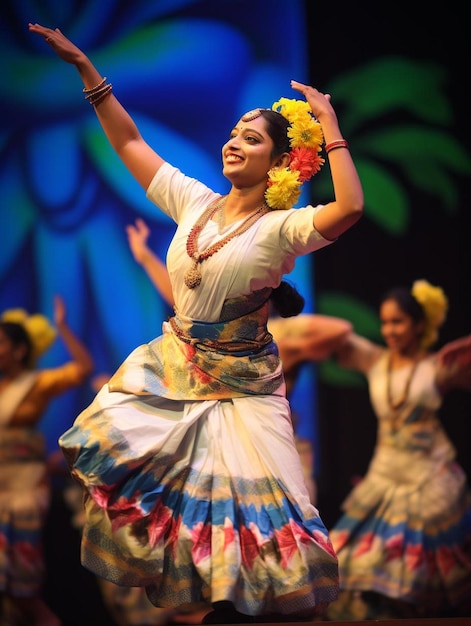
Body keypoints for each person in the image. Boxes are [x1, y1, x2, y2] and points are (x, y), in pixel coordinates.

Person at [29, 21, 363, 624]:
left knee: (271, 529)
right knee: (185, 521)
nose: (234, 142)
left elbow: (350, 209)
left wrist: (330, 128)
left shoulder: (282, 229)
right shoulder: (193, 201)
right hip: (180, 378)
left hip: (247, 394)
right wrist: (86, 69)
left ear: (282, 163)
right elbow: (130, 145)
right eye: (234, 133)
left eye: (253, 139)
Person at [126, 217, 354, 505]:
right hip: (223, 443)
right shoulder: (220, 329)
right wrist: (145, 256)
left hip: (268, 440)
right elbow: (179, 300)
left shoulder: (280, 340)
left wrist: (289, 334)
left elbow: (341, 330)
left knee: (282, 522)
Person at [324, 279, 471, 621]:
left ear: (419, 325)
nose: (389, 330)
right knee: (350, 555)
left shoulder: (438, 365)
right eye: (385, 321)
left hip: (429, 474)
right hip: (384, 473)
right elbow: (329, 333)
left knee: (419, 565)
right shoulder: (374, 359)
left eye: (398, 321)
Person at [0, 296, 94, 626]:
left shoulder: (34, 384)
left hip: (24, 486)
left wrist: (64, 328)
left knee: (21, 582)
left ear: (19, 350)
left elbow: (83, 369)